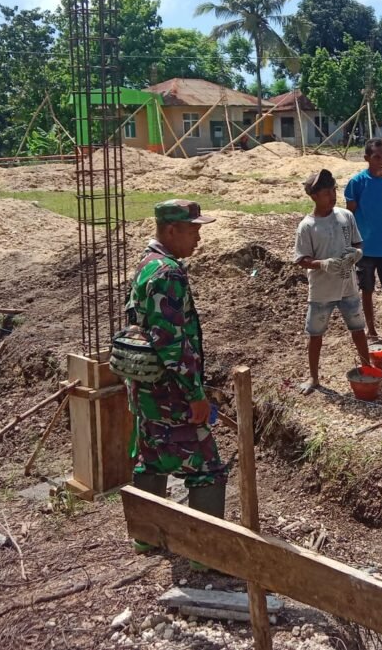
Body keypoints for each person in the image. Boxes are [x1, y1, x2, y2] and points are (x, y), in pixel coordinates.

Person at [125, 199, 227, 560]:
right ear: (171, 230)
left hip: (146, 390)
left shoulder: (145, 264)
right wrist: (196, 393)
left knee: (150, 458)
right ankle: (206, 553)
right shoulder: (167, 274)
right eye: (193, 228)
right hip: (172, 393)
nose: (199, 236)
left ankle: (145, 536)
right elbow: (170, 343)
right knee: (208, 469)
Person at [294, 169, 371, 395]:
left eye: (334, 190)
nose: (332, 195)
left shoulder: (345, 217)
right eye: (327, 192)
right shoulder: (307, 226)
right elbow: (301, 259)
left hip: (348, 286)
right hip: (321, 291)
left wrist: (356, 254)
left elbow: (358, 243)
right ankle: (314, 377)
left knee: (358, 329)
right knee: (315, 334)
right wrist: (322, 264)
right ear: (314, 196)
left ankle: (368, 367)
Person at [345, 139, 382, 339]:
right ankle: (371, 329)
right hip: (364, 246)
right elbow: (350, 215)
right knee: (367, 289)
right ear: (367, 158)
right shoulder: (357, 183)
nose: (381, 160)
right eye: (377, 157)